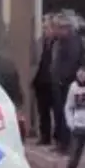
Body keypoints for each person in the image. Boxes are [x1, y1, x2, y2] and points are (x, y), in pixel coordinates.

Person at [50, 14, 85, 154]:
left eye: (58, 27)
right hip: (59, 82)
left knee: (67, 114)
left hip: (67, 83)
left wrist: (62, 78)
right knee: (60, 113)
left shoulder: (72, 41)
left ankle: (67, 144)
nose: (56, 30)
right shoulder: (60, 41)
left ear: (67, 28)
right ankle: (61, 142)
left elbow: (71, 63)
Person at [31, 16, 56, 146]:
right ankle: (44, 136)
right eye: (44, 28)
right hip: (41, 81)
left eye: (46, 27)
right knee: (43, 111)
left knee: (56, 111)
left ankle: (57, 138)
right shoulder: (41, 42)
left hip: (52, 81)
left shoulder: (57, 43)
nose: (44, 30)